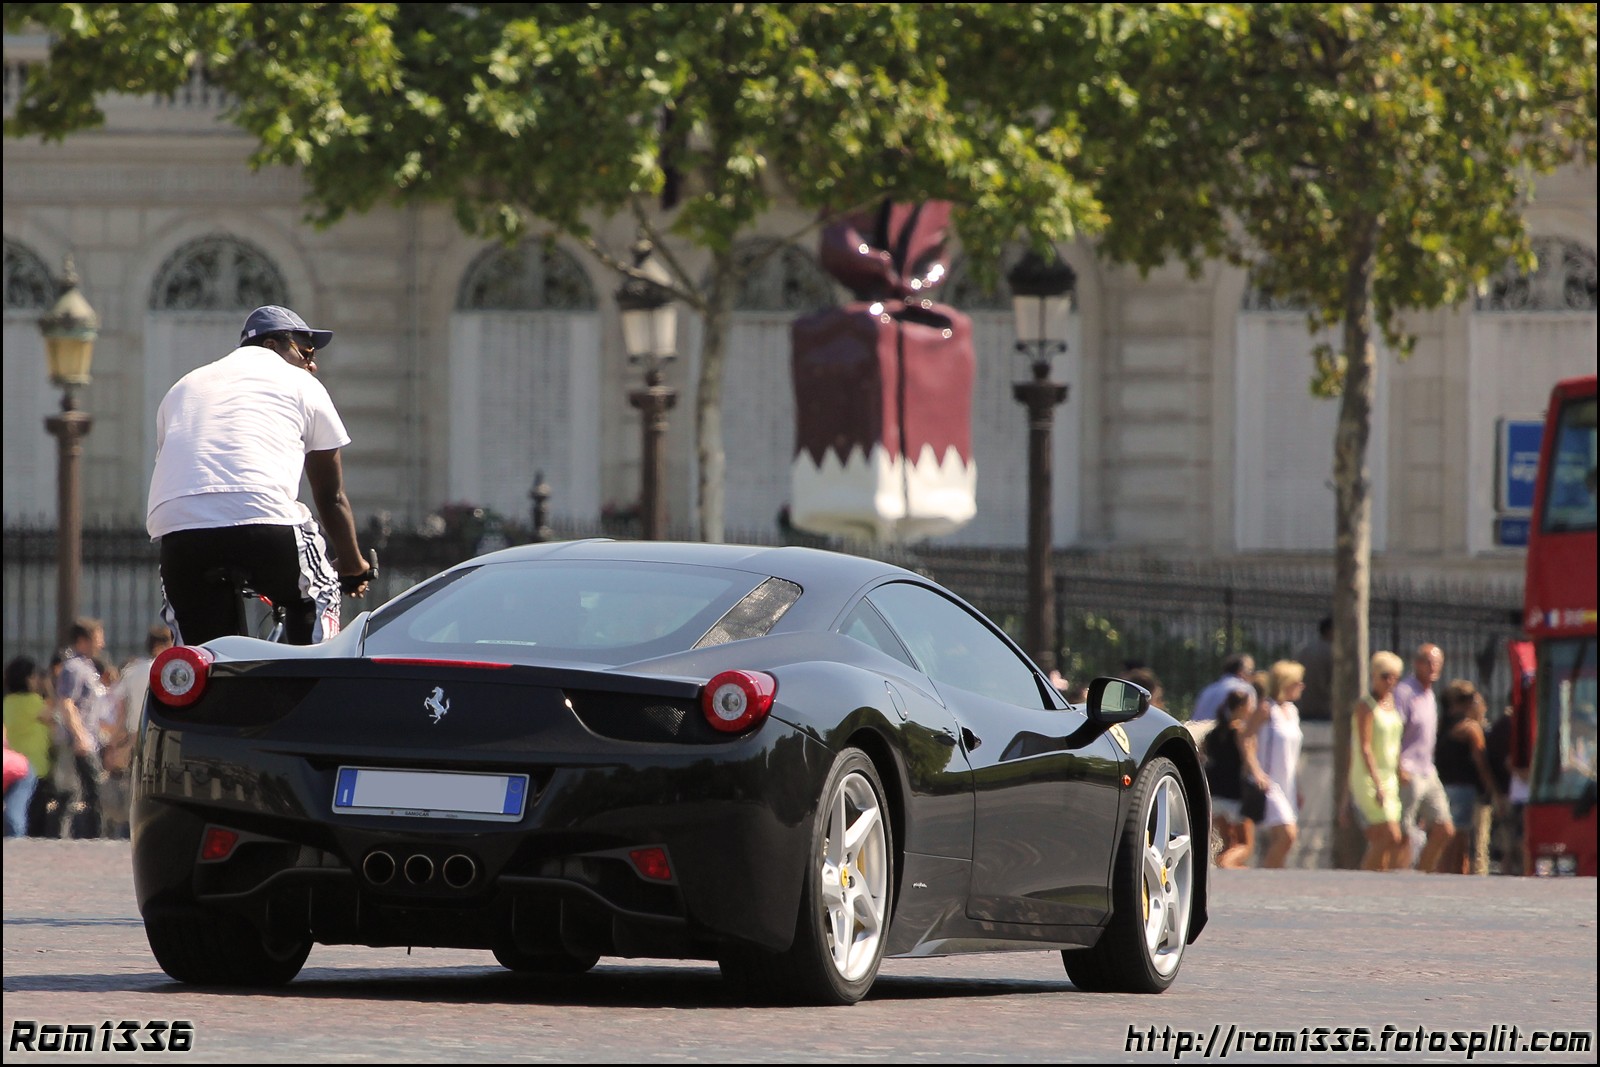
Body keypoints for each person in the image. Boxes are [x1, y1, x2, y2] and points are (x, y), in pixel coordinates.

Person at [147, 304, 372, 647]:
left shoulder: (184, 386)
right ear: (271, 346)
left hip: (180, 534)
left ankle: (205, 690)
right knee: (320, 589)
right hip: (264, 523)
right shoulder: (300, 382)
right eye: (305, 350)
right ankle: (312, 690)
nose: (312, 363)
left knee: (204, 657)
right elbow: (331, 496)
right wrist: (353, 565)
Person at [1344, 650, 1406, 871]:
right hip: (1370, 776)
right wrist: (1377, 783)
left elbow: (1396, 744)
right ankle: (1364, 878)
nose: (1390, 682)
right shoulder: (1366, 706)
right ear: (1375, 676)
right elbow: (1364, 747)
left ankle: (1378, 878)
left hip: (1390, 776)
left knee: (1389, 840)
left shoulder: (1392, 705)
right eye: (1385, 676)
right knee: (1391, 834)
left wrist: (1399, 771)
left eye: (1394, 677)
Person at [1394, 643, 1454, 872]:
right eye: (1428, 662)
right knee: (1403, 833)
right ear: (1416, 663)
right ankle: (1397, 879)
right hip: (1408, 770)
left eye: (1437, 663)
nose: (1433, 667)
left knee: (1444, 827)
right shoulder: (1404, 692)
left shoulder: (1429, 694)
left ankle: (1422, 874)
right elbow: (1394, 732)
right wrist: (1398, 766)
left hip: (1428, 770)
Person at [1435, 680, 1504, 875]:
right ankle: (1458, 876)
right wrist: (1494, 791)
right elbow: (1481, 763)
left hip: (1444, 787)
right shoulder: (1470, 728)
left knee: (1450, 839)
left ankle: (1448, 875)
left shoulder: (1442, 726)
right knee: (1463, 841)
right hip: (1466, 789)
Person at [1247, 659, 1306, 869]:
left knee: (1284, 838)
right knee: (1287, 835)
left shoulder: (1292, 712)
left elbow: (1294, 754)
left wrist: (1298, 788)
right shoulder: (1265, 709)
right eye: (1298, 682)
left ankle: (1274, 879)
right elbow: (1245, 739)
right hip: (1269, 782)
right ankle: (1267, 875)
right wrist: (1256, 771)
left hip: (1287, 784)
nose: (1302, 687)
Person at [54, 619, 108, 838]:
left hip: (89, 739)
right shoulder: (74, 668)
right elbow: (67, 703)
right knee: (85, 793)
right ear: (83, 641)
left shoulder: (87, 667)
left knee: (83, 793)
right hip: (80, 741)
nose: (101, 644)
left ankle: (82, 837)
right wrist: (80, 736)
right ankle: (79, 838)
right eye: (97, 639)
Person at [1206, 687, 1257, 868]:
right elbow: (1249, 760)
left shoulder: (1213, 732)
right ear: (1243, 706)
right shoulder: (1240, 731)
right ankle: (1224, 864)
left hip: (1215, 793)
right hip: (1235, 794)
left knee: (1228, 843)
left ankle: (1226, 872)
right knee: (1245, 845)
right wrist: (1260, 778)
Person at [3, 656, 53, 835]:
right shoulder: (33, 702)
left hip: (14, 766)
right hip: (35, 767)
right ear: (27, 678)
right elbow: (53, 718)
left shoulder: (8, 702)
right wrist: (49, 689)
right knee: (35, 819)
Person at [1192, 653, 1256, 725]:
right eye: (1251, 672)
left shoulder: (1207, 690)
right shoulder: (1245, 690)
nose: (1253, 676)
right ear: (1241, 672)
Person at [1295, 616, 1333, 721]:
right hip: (1325, 710)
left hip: (1302, 707)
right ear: (1330, 631)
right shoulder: (1334, 652)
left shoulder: (1304, 650)